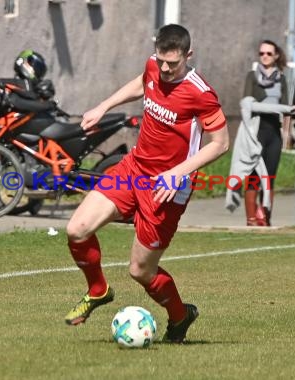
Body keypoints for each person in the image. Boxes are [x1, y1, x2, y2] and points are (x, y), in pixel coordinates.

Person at [63, 24, 229, 343]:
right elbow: (142, 82)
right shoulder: (153, 65)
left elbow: (220, 143)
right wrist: (103, 106)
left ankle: (181, 317)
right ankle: (98, 290)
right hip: (133, 168)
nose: (165, 69)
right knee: (77, 229)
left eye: (173, 63)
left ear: (188, 55)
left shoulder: (200, 93)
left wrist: (179, 171)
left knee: (140, 271)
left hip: (167, 188)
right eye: (161, 61)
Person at [225, 40, 295, 226]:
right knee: (254, 177)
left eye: (268, 53)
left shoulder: (281, 78)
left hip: (274, 131)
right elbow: (247, 103)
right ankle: (250, 218)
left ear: (276, 56)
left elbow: (287, 107)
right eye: (262, 53)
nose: (264, 56)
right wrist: (279, 108)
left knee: (270, 176)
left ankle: (265, 217)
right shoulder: (252, 76)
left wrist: (287, 132)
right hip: (255, 131)